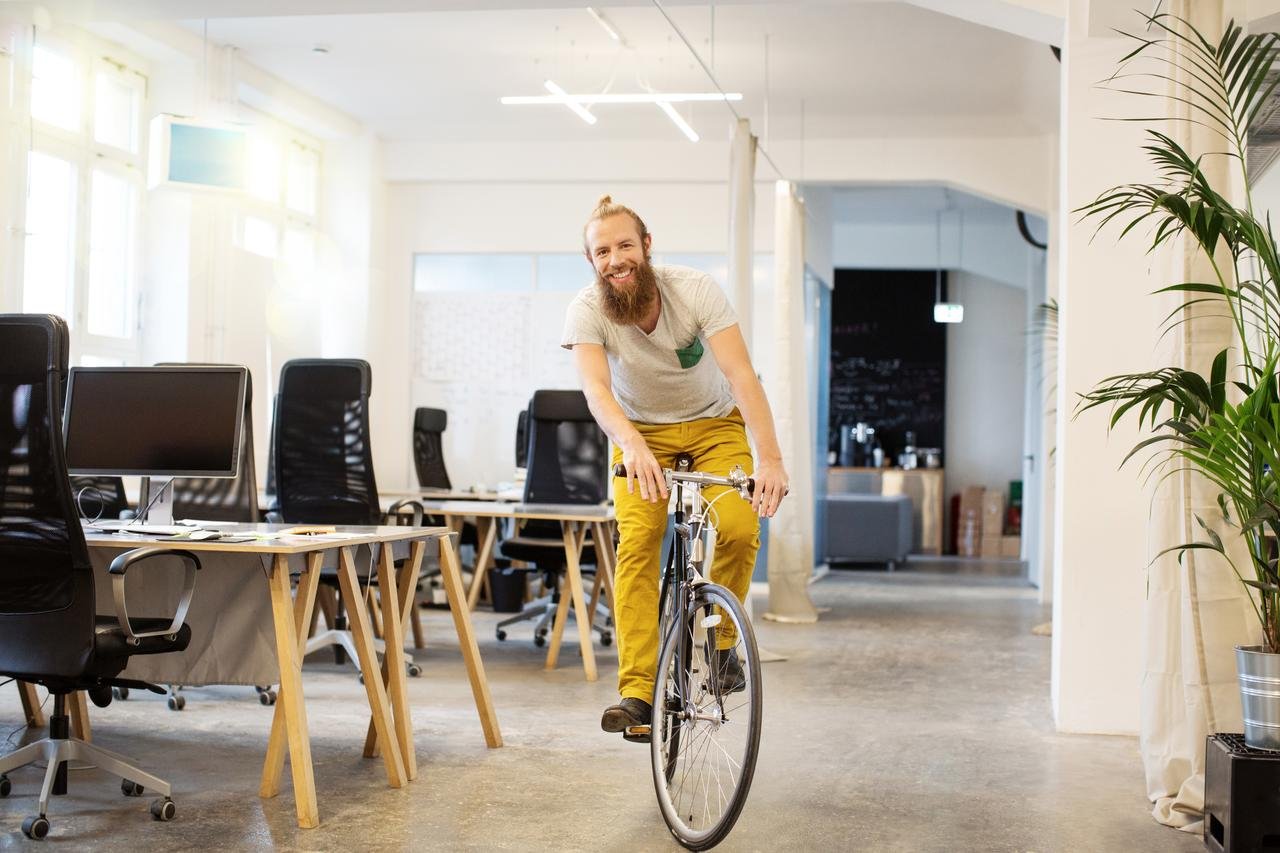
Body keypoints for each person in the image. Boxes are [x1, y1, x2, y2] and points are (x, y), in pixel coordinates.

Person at [561, 195, 788, 740]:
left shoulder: (694, 290)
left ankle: (724, 646)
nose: (614, 259)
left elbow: (741, 376)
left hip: (715, 425)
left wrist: (772, 460)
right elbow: (595, 388)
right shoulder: (587, 309)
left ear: (646, 246)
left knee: (737, 525)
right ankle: (638, 691)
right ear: (591, 261)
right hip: (639, 436)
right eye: (601, 251)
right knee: (639, 542)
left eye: (624, 245)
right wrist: (632, 444)